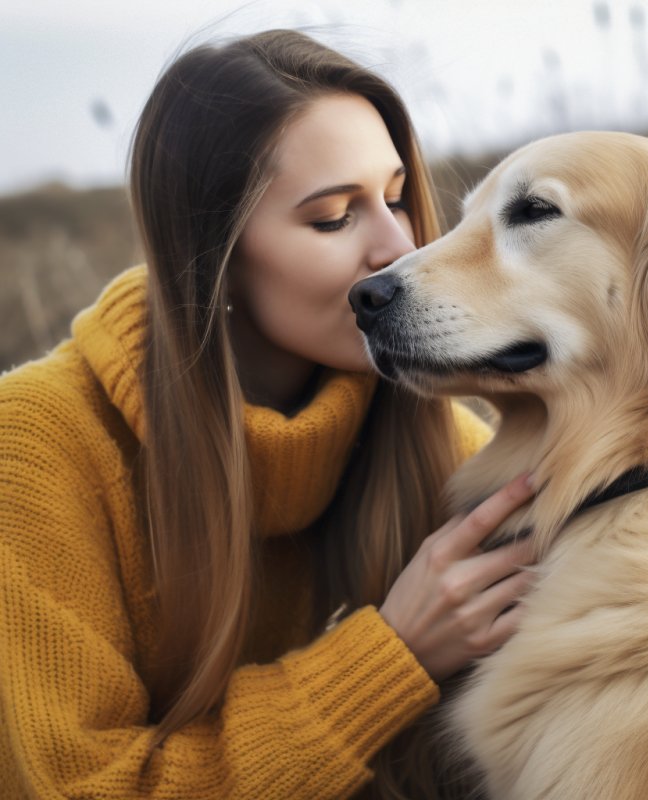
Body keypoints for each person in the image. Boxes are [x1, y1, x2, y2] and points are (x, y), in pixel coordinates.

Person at [0, 29, 537, 798]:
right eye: (332, 218)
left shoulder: (437, 433)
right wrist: (390, 658)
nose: (400, 248)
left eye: (395, 199)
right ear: (211, 251)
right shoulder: (37, 447)